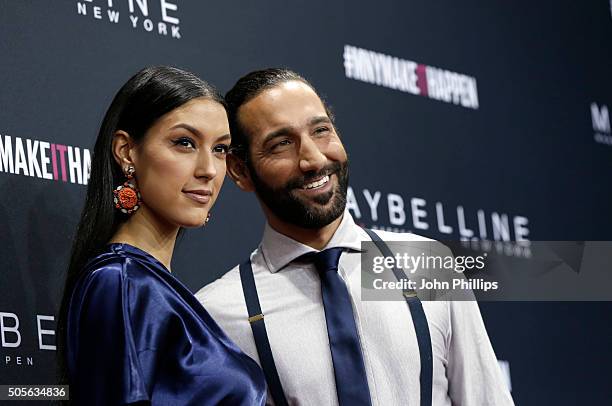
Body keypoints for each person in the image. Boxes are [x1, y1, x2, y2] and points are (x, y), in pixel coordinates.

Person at [196, 68, 514, 405]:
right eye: (282, 144)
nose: (314, 158)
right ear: (240, 171)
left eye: (321, 131)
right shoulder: (217, 314)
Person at [57, 66, 267, 405]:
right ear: (127, 151)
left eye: (220, 149)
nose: (209, 170)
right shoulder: (121, 281)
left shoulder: (149, 284)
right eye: (184, 143)